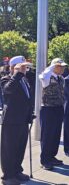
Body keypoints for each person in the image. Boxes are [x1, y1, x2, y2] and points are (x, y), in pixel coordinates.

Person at [0, 56, 33, 185]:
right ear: (14, 67)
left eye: (25, 67)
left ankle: (16, 170)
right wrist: (16, 74)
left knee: (20, 147)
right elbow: (8, 91)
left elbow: (27, 98)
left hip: (23, 119)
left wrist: (30, 114)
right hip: (11, 120)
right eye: (22, 67)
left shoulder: (23, 80)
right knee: (9, 148)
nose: (25, 69)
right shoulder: (6, 79)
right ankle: (8, 176)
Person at [39, 58, 67, 170]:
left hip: (58, 108)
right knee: (47, 135)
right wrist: (51, 67)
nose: (63, 68)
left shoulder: (61, 78)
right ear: (54, 67)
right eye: (60, 66)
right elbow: (43, 76)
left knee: (55, 135)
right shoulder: (46, 77)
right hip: (48, 109)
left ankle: (52, 156)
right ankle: (45, 160)